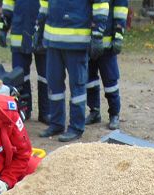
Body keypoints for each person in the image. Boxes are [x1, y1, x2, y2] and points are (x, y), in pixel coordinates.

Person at [34, 0, 107, 142]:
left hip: (77, 43)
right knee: (54, 86)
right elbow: (44, 4)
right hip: (53, 42)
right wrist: (39, 28)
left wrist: (98, 34)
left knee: (77, 88)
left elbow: (101, 6)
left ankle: (76, 127)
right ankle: (56, 123)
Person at [0, 0, 50, 123]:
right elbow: (8, 5)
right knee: (20, 75)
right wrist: (3, 28)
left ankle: (46, 112)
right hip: (20, 32)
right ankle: (24, 108)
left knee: (45, 76)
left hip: (43, 33)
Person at [84, 0, 128, 131]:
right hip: (88, 41)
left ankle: (114, 114)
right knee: (89, 80)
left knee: (110, 81)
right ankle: (94, 111)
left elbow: (121, 10)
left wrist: (118, 37)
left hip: (107, 44)